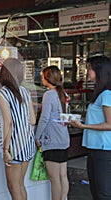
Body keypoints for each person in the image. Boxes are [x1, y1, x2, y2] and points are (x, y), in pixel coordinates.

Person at [70, 55, 111, 200]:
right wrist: (78, 120)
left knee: (103, 192)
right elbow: (97, 119)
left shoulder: (106, 94)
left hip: (104, 149)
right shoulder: (99, 93)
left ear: (99, 71)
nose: (87, 72)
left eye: (90, 68)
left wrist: (83, 125)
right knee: (95, 190)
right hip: (94, 148)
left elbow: (109, 124)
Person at [0, 58, 36, 200]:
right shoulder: (25, 91)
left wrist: (5, 150)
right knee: (20, 185)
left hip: (14, 147)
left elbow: (9, 123)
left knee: (13, 187)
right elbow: (33, 120)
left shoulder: (2, 94)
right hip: (28, 144)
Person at [35, 65, 70, 200]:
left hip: (52, 140)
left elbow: (45, 118)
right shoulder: (63, 94)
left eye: (43, 76)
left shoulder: (49, 94)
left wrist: (37, 136)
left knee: (54, 178)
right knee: (62, 175)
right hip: (64, 139)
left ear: (47, 78)